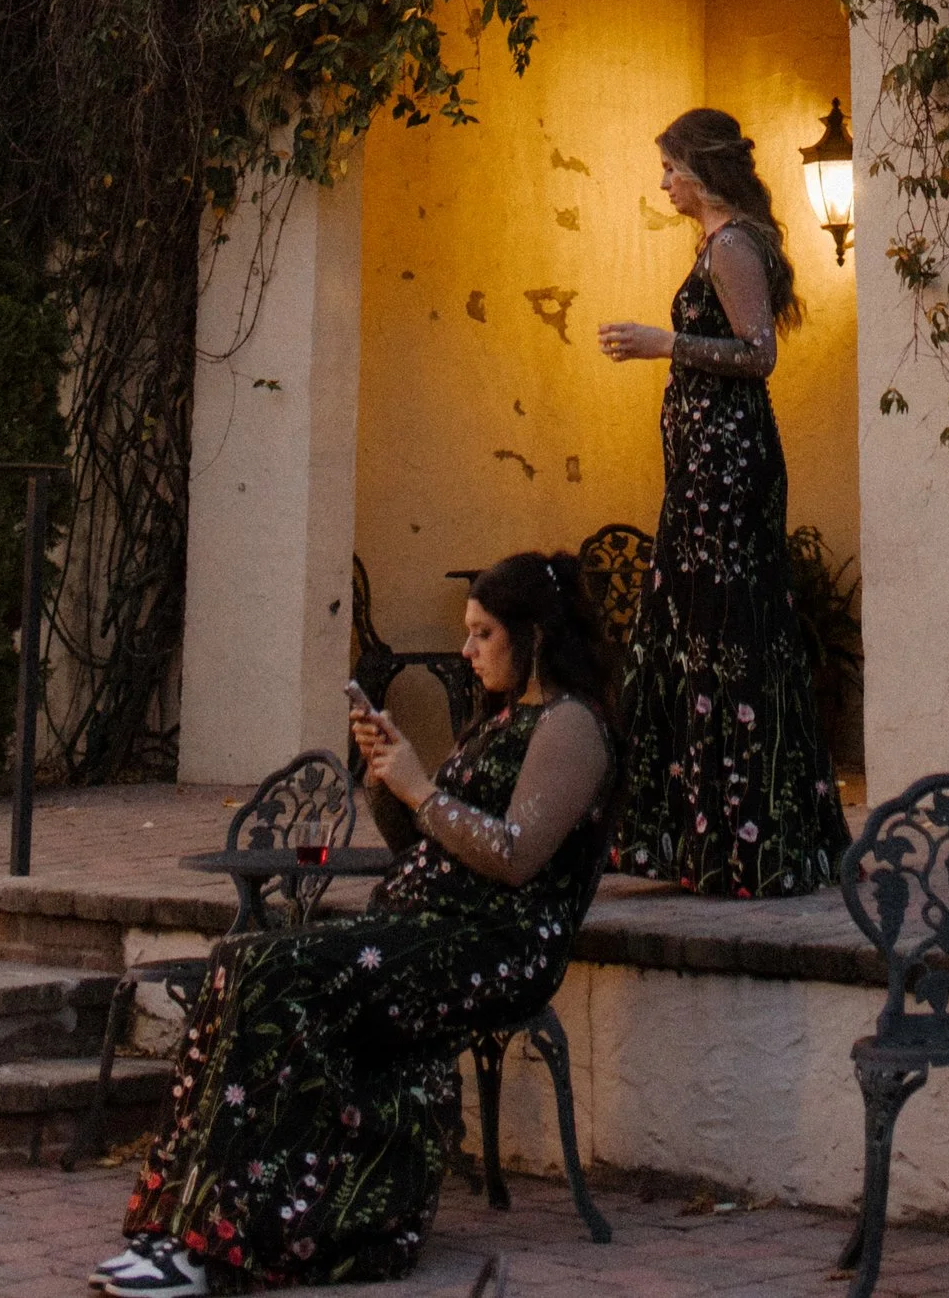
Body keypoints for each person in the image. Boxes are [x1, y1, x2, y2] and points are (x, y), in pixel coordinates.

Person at [97, 551, 616, 1292]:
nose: (467, 651)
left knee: (275, 971)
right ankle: (176, 1223)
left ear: (535, 634)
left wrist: (421, 788)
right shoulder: (500, 719)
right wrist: (388, 781)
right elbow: (424, 843)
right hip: (425, 924)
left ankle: (218, 1243)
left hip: (493, 945)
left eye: (483, 634)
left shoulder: (572, 726)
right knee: (240, 961)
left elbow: (515, 855)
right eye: (468, 633)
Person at [595, 103, 847, 896]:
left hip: (729, 475)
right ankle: (700, 838)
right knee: (692, 626)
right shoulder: (715, 243)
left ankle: (744, 842)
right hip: (705, 471)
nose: (664, 184)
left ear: (702, 172)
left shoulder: (733, 245)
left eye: (671, 169)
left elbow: (758, 354)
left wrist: (663, 343)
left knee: (725, 630)